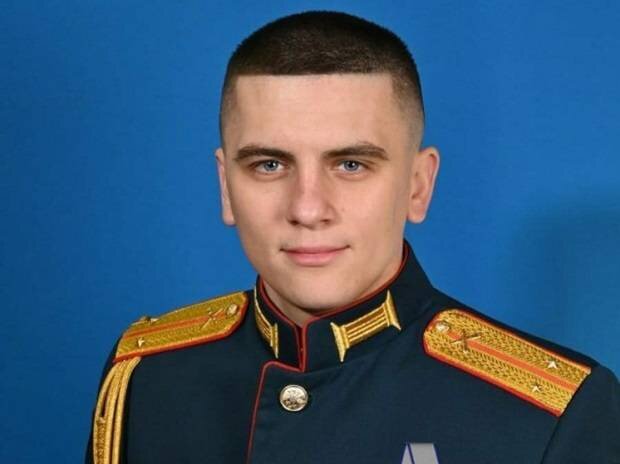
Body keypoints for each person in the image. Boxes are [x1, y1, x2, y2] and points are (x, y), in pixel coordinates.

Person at [86, 11, 619, 464]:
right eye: (269, 165)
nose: (307, 209)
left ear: (418, 186)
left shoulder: (551, 414)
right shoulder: (148, 377)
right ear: (226, 188)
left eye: (350, 164)